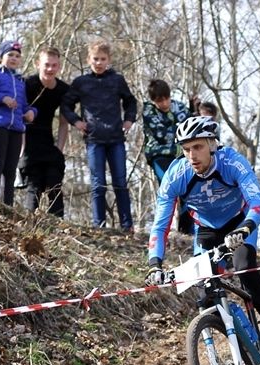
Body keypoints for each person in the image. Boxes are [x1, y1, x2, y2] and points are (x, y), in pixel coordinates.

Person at [145, 116, 260, 365]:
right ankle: (248, 342)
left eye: (198, 147)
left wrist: (246, 228)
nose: (192, 155)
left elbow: (257, 202)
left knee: (245, 268)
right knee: (206, 294)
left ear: (212, 144)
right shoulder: (176, 175)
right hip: (206, 231)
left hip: (240, 223)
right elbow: (160, 226)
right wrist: (154, 264)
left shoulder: (232, 162)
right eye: (186, 149)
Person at [61, 39, 136, 231]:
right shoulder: (81, 82)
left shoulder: (117, 80)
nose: (99, 63)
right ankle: (98, 225)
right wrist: (77, 121)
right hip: (94, 139)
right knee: (98, 184)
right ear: (89, 60)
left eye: (103, 59)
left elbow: (130, 101)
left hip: (116, 138)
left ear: (109, 59)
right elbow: (66, 105)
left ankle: (127, 226)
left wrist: (129, 119)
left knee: (120, 182)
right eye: (95, 59)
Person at [19, 46, 69, 218]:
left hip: (48, 141)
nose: (50, 69)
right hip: (28, 139)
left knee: (54, 181)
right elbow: (20, 117)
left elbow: (64, 123)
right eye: (47, 64)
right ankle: (29, 221)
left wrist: (59, 149)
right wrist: (22, 150)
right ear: (38, 64)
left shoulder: (63, 90)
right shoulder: (27, 84)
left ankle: (59, 223)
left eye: (54, 65)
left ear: (59, 66)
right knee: (34, 184)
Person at [0, 40, 37, 206]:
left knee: (10, 170)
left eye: (17, 56)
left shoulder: (21, 81)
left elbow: (24, 105)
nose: (14, 58)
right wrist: (2, 98)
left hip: (16, 128)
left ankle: (7, 206)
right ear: (1, 56)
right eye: (10, 55)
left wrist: (32, 112)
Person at [142, 79, 193, 234]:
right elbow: (162, 135)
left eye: (166, 98)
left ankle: (187, 229)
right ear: (153, 101)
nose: (164, 103)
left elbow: (190, 127)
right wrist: (178, 131)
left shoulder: (179, 107)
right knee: (168, 188)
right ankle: (162, 229)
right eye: (159, 101)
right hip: (159, 155)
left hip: (181, 156)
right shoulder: (149, 111)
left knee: (188, 188)